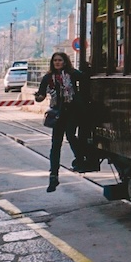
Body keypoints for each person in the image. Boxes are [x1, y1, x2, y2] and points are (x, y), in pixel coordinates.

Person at [35, 51, 97, 193]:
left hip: (73, 111)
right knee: (55, 144)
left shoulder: (72, 74)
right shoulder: (48, 77)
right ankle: (53, 175)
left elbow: (85, 80)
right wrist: (38, 97)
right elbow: (41, 94)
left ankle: (80, 160)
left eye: (60, 60)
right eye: (55, 60)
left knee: (70, 135)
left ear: (65, 61)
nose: (57, 62)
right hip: (58, 113)